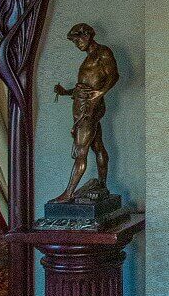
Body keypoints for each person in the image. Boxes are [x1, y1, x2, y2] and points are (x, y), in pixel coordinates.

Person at [49, 23, 118, 203]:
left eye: (78, 39)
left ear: (87, 35)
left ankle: (69, 193)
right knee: (97, 146)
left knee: (81, 150)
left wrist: (98, 94)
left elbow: (113, 76)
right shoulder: (88, 59)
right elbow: (86, 88)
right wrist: (65, 92)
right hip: (82, 106)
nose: (77, 44)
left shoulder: (102, 52)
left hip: (89, 108)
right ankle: (102, 184)